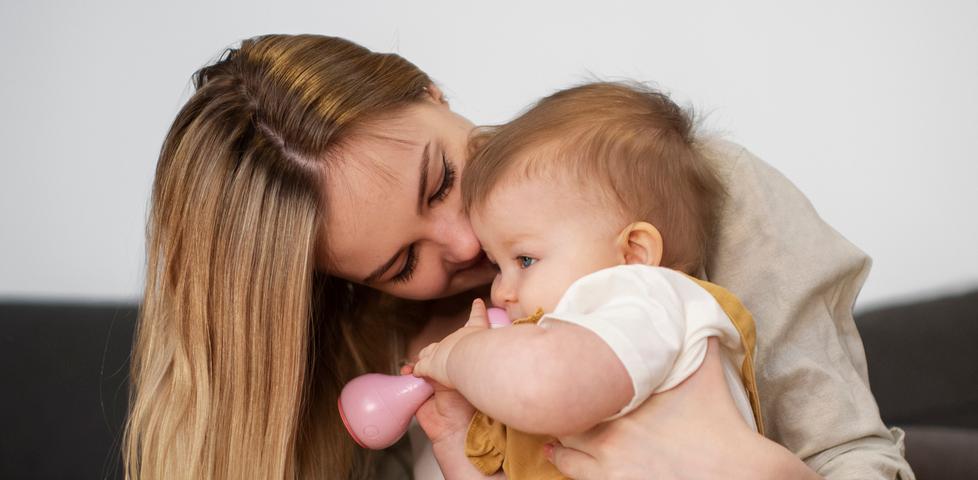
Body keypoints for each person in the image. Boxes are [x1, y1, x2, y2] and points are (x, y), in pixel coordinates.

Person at [123, 33, 913, 479]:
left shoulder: (681, 192)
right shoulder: (384, 359)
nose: (467, 246)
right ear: (345, 287)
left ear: (432, 92)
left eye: (441, 181)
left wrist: (732, 465)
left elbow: (854, 454)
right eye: (401, 265)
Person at [409, 81, 767, 479]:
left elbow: (540, 388)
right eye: (497, 266)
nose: (500, 292)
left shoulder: (650, 299)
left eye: (525, 259)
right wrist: (455, 436)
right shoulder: (563, 361)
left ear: (633, 254)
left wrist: (460, 356)